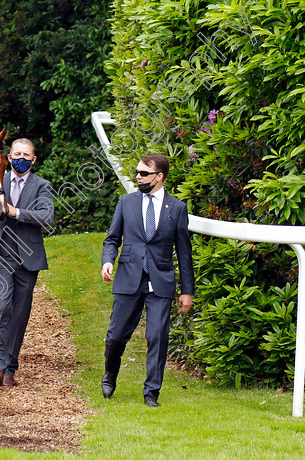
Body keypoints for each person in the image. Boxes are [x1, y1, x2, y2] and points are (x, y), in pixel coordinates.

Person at [99, 154, 194, 407]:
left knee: (157, 336)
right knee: (116, 336)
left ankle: (151, 392)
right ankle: (110, 373)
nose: (138, 177)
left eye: (143, 173)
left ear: (159, 176)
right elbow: (112, 239)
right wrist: (108, 260)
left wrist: (188, 290)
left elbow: (184, 252)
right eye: (137, 172)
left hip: (160, 281)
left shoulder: (177, 208)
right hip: (129, 278)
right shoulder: (126, 202)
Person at [0, 138, 53, 387]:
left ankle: (9, 369)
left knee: (19, 315)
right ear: (9, 157)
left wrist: (16, 212)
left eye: (27, 155)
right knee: (2, 307)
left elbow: (47, 216)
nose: (21, 159)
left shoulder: (41, 186)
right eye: (17, 154)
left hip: (28, 259)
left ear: (34, 160)